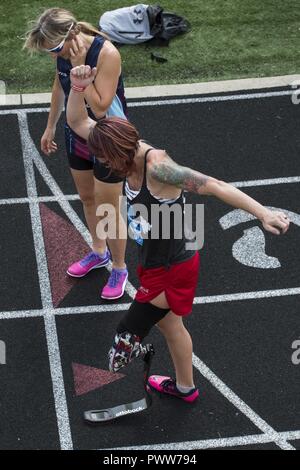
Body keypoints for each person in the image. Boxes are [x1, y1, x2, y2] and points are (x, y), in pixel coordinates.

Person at [66, 65, 290, 403]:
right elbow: (78, 123)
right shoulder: (115, 140)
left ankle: (158, 367)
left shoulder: (159, 169)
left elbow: (213, 185)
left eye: (105, 160)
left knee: (122, 344)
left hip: (173, 266)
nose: (103, 165)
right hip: (157, 258)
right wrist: (77, 88)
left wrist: (263, 213)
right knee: (172, 327)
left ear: (121, 154)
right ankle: (186, 388)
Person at [23, 8, 128, 300]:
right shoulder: (63, 53)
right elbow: (60, 84)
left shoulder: (107, 53)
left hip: (108, 136)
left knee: (109, 208)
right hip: (75, 133)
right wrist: (50, 127)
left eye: (56, 49)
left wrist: (81, 68)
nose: (54, 55)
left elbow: (101, 106)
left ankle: (119, 267)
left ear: (71, 35)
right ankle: (99, 251)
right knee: (87, 198)